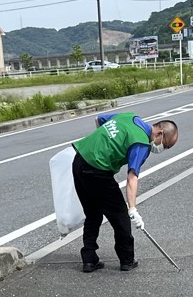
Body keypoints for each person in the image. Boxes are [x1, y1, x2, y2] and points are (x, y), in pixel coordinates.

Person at [71, 112, 179, 272]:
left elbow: (99, 119)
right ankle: (127, 260)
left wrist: (106, 146)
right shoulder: (141, 143)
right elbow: (132, 178)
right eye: (167, 145)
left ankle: (89, 259)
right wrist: (133, 209)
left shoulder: (130, 117)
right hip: (98, 172)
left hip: (79, 160)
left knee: (93, 214)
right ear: (160, 133)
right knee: (121, 216)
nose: (163, 148)